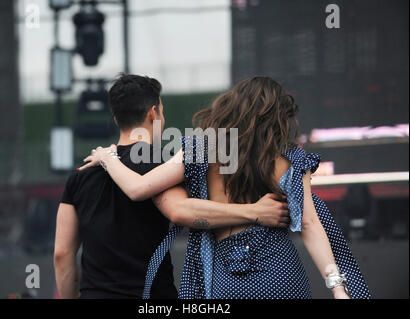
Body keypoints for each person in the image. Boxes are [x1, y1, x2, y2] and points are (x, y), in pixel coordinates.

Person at [80, 76, 371, 299]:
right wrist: (336, 286)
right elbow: (310, 223)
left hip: (225, 274)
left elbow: (138, 189)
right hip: (280, 271)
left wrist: (108, 158)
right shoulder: (285, 159)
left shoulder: (203, 148)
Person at [54, 74, 290, 299]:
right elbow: (181, 211)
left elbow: (62, 254)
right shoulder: (163, 165)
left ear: (116, 119)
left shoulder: (80, 175)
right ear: (154, 113)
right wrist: (255, 212)